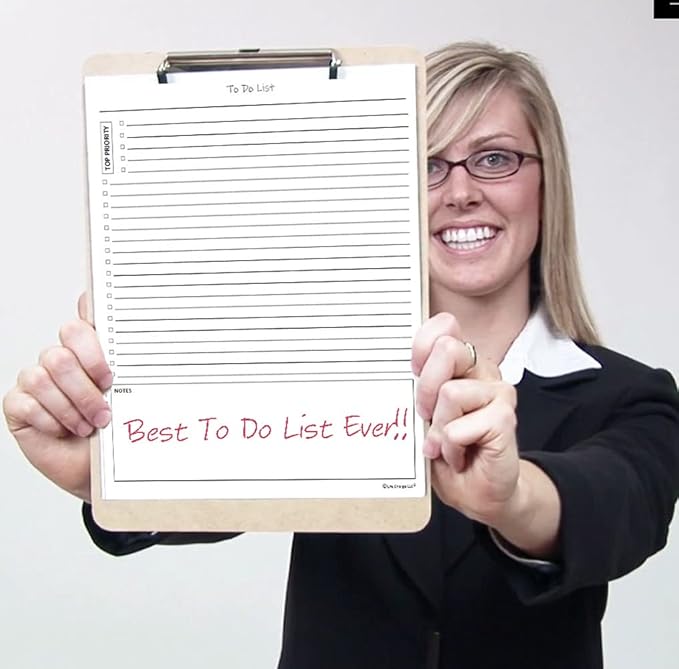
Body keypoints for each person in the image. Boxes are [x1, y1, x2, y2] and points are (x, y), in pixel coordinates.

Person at [4, 41, 679, 669]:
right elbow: (225, 470)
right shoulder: (312, 369)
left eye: (495, 158)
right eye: (427, 164)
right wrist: (111, 475)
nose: (460, 191)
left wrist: (513, 496)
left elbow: (620, 507)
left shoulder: (631, 395)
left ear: (546, 180)